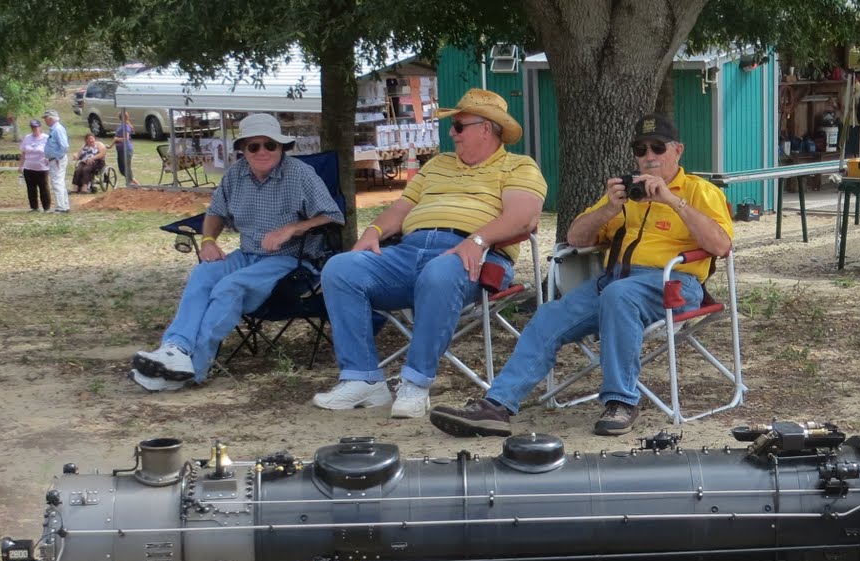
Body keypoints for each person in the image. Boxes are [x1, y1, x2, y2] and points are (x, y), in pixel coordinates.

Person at [430, 112, 734, 438]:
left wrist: (672, 201)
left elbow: (720, 245)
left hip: (673, 284)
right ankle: (497, 407)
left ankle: (622, 401)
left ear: (677, 151)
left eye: (657, 148)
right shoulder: (626, 194)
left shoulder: (699, 191)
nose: (648, 157)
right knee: (549, 315)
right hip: (615, 282)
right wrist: (609, 209)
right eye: (640, 149)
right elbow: (575, 238)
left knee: (620, 296)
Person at [312, 89, 545, 418]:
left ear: (486, 128)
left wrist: (476, 241)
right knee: (341, 268)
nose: (451, 132)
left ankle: (415, 384)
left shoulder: (519, 166)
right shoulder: (437, 164)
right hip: (408, 252)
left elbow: (524, 217)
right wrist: (373, 232)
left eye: (459, 126)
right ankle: (363, 378)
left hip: (477, 257)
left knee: (440, 272)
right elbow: (401, 209)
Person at [129, 114, 344, 392]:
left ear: (282, 147)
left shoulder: (301, 174)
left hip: (293, 261)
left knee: (230, 286)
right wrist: (208, 240)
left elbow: (333, 216)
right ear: (242, 149)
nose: (262, 151)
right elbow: (216, 212)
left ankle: (192, 368)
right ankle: (175, 350)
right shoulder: (236, 174)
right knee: (205, 273)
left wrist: (292, 228)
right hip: (247, 254)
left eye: (270, 145)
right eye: (253, 146)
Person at [42, 109, 71, 213]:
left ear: (50, 119)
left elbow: (64, 146)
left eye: (46, 118)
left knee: (57, 182)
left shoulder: (57, 129)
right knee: (60, 182)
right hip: (54, 159)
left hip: (57, 160)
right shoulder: (54, 129)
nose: (45, 121)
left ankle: (61, 207)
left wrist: (58, 157)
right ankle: (65, 205)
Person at [20, 119, 50, 211]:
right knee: (31, 188)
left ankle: (46, 207)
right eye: (32, 127)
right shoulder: (27, 138)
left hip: (42, 167)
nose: (34, 129)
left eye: (36, 127)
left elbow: (50, 152)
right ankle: (34, 207)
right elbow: (23, 152)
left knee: (43, 187)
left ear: (39, 127)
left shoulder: (46, 138)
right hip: (29, 166)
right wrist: (21, 165)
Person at [114, 110, 138, 186]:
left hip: (126, 149)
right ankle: (134, 183)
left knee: (126, 167)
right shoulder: (120, 126)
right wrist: (110, 146)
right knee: (122, 168)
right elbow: (115, 138)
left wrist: (117, 139)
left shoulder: (126, 126)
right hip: (120, 149)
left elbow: (126, 138)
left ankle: (130, 183)